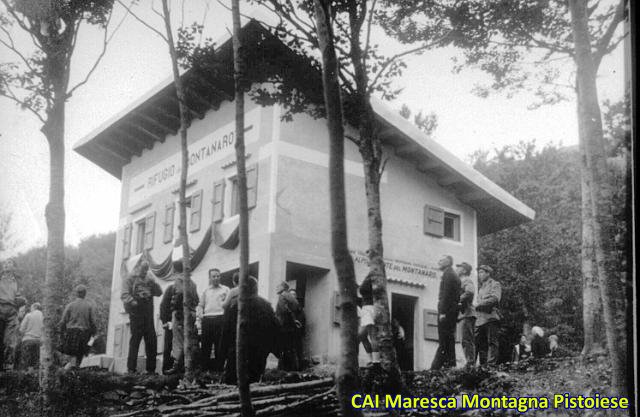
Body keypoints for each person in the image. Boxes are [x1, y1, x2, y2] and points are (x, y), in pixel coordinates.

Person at [219, 276, 279, 384]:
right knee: (254, 382)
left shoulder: (236, 305)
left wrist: (222, 354)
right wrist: (272, 349)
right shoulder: (266, 305)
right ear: (255, 288)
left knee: (233, 381)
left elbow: (226, 331)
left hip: (238, 351)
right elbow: (274, 329)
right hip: (258, 352)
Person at [121, 257, 162, 374]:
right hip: (136, 313)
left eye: (146, 270)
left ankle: (151, 370)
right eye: (143, 269)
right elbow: (124, 295)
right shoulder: (130, 279)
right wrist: (134, 302)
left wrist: (153, 284)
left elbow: (159, 293)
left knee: (151, 341)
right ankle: (131, 369)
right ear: (137, 267)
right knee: (135, 340)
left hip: (148, 313)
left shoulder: (149, 278)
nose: (144, 272)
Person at [431, 255, 461, 370]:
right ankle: (450, 364)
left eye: (441, 260)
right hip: (451, 311)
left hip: (446, 312)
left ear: (448, 262)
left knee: (444, 339)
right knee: (449, 338)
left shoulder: (448, 275)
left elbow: (446, 295)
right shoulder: (453, 275)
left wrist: (443, 312)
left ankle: (436, 367)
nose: (439, 262)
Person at [166, 272, 199, 375]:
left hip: (181, 312)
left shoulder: (179, 280)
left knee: (178, 340)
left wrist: (176, 307)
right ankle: (189, 365)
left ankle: (177, 366)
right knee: (189, 340)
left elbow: (180, 293)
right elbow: (197, 299)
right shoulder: (192, 283)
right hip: (191, 312)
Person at [198, 268, 229, 371]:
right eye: (214, 276)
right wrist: (201, 315)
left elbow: (229, 304)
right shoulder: (206, 291)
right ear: (210, 278)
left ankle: (218, 370)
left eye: (218, 276)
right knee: (206, 346)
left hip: (220, 319)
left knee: (219, 346)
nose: (216, 278)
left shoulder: (225, 289)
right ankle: (204, 370)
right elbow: (200, 305)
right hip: (207, 320)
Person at [59, 285, 97, 369]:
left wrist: (62, 335)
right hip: (84, 334)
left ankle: (70, 372)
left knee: (72, 356)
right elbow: (93, 322)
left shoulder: (70, 305)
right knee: (80, 356)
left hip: (71, 333)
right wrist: (93, 334)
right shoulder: (89, 306)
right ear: (85, 294)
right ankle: (75, 371)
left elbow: (63, 321)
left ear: (76, 294)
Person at [0, 259, 26, 371]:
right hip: (0, 307)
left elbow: (21, 296)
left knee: (9, 341)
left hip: (12, 311)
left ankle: (7, 366)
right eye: (4, 263)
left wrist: (21, 308)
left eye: (9, 263)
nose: (6, 265)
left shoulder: (17, 280)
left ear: (13, 266)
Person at [475, 265, 501, 366]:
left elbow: (495, 298)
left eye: (481, 272)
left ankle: (491, 365)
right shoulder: (481, 288)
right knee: (480, 344)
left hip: (491, 317)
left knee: (492, 342)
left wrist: (479, 304)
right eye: (479, 272)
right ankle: (483, 366)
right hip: (480, 319)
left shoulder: (495, 284)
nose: (479, 275)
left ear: (488, 273)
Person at [275, 281, 305, 371]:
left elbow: (285, 311)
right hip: (291, 329)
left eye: (278, 286)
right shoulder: (291, 297)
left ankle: (284, 370)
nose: (276, 288)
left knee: (284, 350)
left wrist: (292, 321)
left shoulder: (282, 296)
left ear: (283, 287)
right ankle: (293, 369)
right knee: (291, 350)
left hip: (284, 328)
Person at [456, 262, 476, 367]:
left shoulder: (466, 280)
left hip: (467, 314)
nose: (457, 269)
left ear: (464, 270)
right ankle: (470, 362)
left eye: (459, 267)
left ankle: (470, 363)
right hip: (464, 315)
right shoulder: (461, 281)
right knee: (465, 340)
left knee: (467, 340)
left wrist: (458, 300)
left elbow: (470, 292)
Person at [358, 273, 379, 366]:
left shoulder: (373, 278)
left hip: (370, 308)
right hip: (366, 309)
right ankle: (371, 360)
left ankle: (376, 361)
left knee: (372, 335)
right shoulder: (368, 278)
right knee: (362, 335)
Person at [19, 302, 43, 370]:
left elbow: (21, 329)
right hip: (38, 341)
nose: (30, 309)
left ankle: (25, 376)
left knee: (26, 362)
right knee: (35, 363)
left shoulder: (29, 315)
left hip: (28, 340)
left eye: (31, 308)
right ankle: (33, 377)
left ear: (34, 307)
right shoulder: (43, 317)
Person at [159, 283, 175, 374]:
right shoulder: (171, 288)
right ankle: (166, 370)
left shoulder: (190, 287)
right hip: (171, 323)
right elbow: (163, 305)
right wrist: (165, 321)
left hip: (183, 323)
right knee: (169, 346)